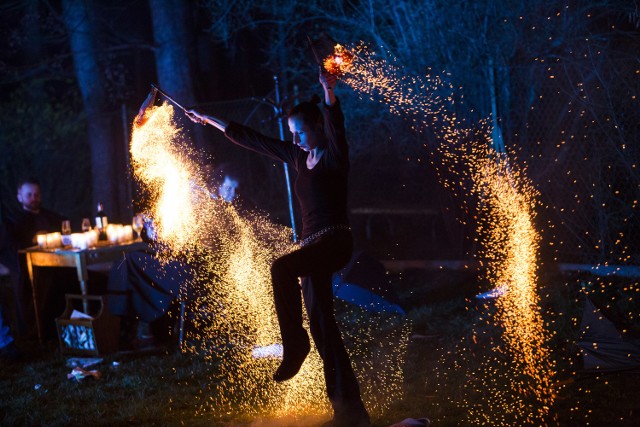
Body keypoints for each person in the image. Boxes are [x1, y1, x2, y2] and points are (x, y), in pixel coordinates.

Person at [187, 69, 370, 427]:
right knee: (324, 327)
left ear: (317, 125)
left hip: (334, 242)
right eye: (293, 134)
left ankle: (294, 344)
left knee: (281, 268)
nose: (297, 139)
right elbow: (254, 139)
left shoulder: (335, 156)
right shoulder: (299, 157)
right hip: (312, 246)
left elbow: (337, 125)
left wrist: (328, 92)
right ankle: (351, 414)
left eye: (301, 131)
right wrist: (207, 119)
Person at [107, 166, 242, 348]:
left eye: (235, 188)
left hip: (202, 275)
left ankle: (134, 326)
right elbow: (172, 244)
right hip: (184, 265)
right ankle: (138, 326)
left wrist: (168, 242)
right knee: (131, 261)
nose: (232, 193)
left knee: (132, 263)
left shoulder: (220, 212)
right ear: (216, 184)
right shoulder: (197, 203)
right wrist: (153, 232)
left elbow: (205, 250)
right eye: (229, 187)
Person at [2, 178, 68, 338]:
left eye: (36, 194)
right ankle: (37, 331)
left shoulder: (53, 218)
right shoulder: (12, 221)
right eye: (29, 195)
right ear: (20, 197)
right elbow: (10, 246)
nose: (33, 198)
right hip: (29, 264)